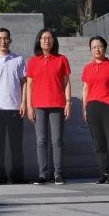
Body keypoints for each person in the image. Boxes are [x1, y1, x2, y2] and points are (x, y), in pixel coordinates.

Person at [26, 27, 72, 185]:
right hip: (38, 105)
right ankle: (43, 174)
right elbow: (29, 86)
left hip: (57, 104)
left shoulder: (62, 59)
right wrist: (29, 106)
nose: (47, 40)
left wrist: (68, 102)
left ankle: (58, 173)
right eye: (44, 38)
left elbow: (66, 83)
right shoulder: (32, 61)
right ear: (39, 41)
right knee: (41, 141)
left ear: (54, 41)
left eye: (50, 37)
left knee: (57, 140)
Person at [0, 27, 26, 184]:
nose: (3, 41)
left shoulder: (18, 60)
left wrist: (24, 103)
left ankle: (18, 176)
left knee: (16, 146)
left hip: (15, 108)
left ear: (10, 40)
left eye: (5, 38)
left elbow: (24, 83)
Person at [82, 36, 109, 184]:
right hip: (93, 107)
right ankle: (104, 172)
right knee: (99, 143)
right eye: (94, 47)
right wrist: (85, 108)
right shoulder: (87, 68)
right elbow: (85, 89)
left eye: (99, 46)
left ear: (104, 48)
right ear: (90, 50)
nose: (97, 49)